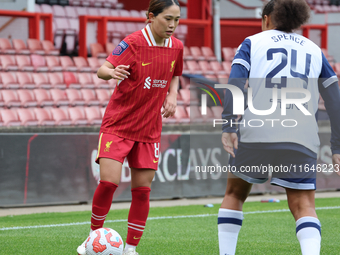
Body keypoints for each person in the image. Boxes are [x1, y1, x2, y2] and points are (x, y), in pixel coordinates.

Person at [218, 0, 340, 254]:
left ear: (266, 19)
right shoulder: (315, 50)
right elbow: (334, 99)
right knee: (303, 204)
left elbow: (235, 82)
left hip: (257, 130)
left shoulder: (253, 42)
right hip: (302, 134)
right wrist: (337, 146)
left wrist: (229, 123)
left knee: (234, 194)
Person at [77, 1, 183, 254]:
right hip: (118, 125)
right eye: (168, 18)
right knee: (109, 183)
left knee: (142, 191)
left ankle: (131, 248)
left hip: (149, 129)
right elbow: (103, 69)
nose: (172, 25)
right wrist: (111, 74)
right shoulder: (133, 42)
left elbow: (175, 74)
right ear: (151, 17)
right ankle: (93, 239)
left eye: (177, 20)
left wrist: (172, 96)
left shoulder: (177, 46)